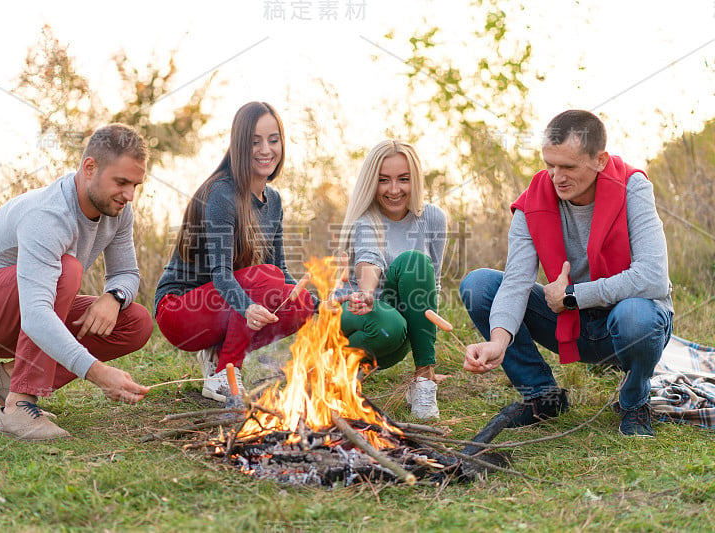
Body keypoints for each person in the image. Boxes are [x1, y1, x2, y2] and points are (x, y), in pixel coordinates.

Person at [0, 123, 155, 442]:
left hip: (20, 310)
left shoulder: (119, 211)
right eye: (121, 182)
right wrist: (97, 373)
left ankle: (10, 379)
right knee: (67, 271)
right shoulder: (49, 215)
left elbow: (127, 273)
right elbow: (37, 314)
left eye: (136, 184)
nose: (129, 195)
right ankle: (19, 407)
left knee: (135, 322)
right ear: (89, 168)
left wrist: (114, 297)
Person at [460, 110, 673, 437]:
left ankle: (634, 401)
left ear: (600, 160)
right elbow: (516, 282)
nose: (556, 176)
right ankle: (542, 397)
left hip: (628, 320)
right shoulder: (532, 202)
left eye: (569, 167)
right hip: (570, 323)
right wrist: (498, 341)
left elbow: (652, 278)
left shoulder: (634, 187)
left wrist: (573, 296)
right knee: (479, 285)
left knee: (636, 316)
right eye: (550, 164)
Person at [155, 101, 314, 402]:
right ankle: (226, 372)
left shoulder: (274, 201)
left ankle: (219, 357)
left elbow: (280, 269)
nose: (266, 149)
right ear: (239, 145)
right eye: (255, 142)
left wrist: (324, 305)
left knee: (300, 302)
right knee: (267, 279)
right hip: (179, 309)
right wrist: (247, 307)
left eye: (273, 139)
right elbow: (221, 275)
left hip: (219, 309)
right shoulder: (221, 195)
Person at [338, 140, 447, 419]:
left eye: (403, 179)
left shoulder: (432, 218)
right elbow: (369, 258)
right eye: (384, 180)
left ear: (415, 180)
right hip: (357, 310)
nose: (394, 189)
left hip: (397, 327)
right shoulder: (365, 219)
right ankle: (336, 367)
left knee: (415, 264)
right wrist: (366, 293)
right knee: (389, 323)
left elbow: (431, 282)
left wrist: (424, 335)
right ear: (372, 183)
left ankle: (423, 381)